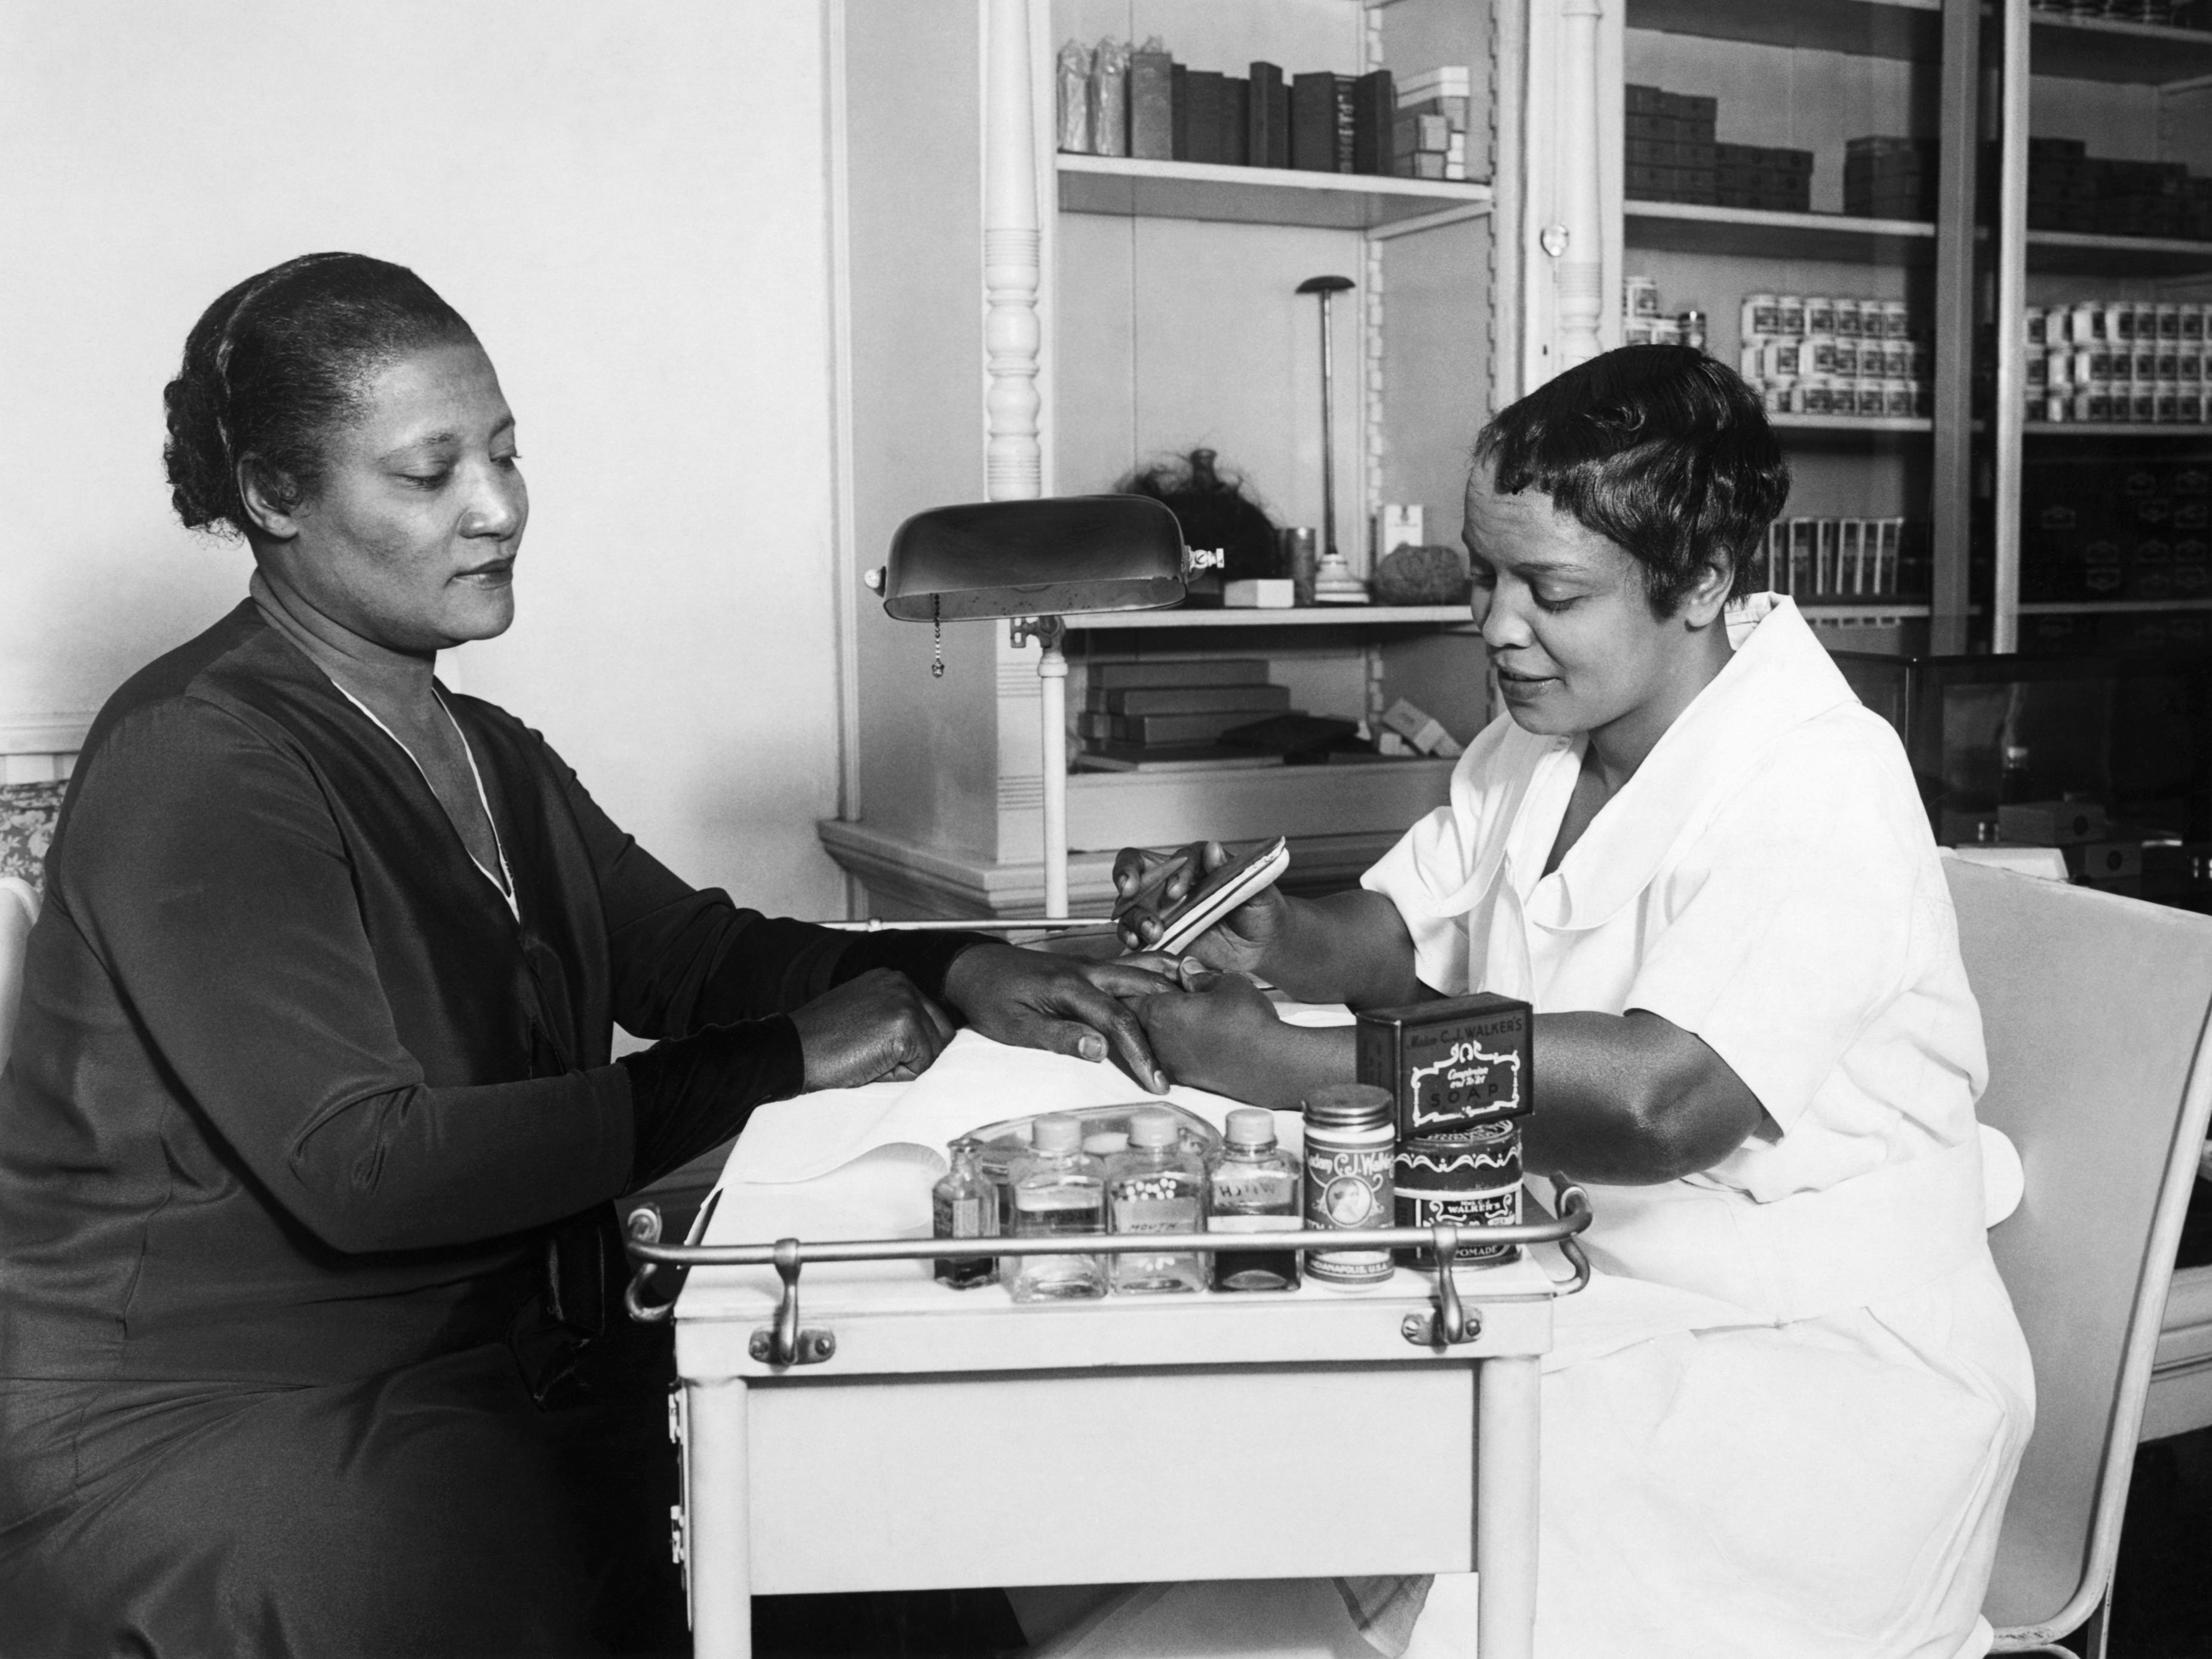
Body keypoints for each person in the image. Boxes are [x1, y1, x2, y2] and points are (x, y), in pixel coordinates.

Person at [0, 251, 1175, 1658]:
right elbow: (369, 1170)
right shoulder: (199, 756)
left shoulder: (489, 754)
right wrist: (780, 1064)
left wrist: (957, 971)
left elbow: (685, 953)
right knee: (680, 1547)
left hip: (478, 1363)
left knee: (851, 1513)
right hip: (218, 1419)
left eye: (503, 452)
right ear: (273, 498)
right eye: (429, 475)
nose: (499, 507)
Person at [1108, 347, 2034, 1658]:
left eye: (1550, 590)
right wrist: (1275, 934)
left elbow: (1663, 1104)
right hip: (1595, 1285)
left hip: (1813, 1375)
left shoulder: (1817, 779)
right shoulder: (1539, 736)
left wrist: (1285, 1068)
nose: (1495, 625)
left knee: (1415, 1532)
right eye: (1488, 576)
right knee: (1268, 1459)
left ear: (1701, 581)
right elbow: (1395, 932)